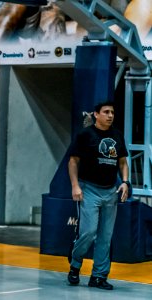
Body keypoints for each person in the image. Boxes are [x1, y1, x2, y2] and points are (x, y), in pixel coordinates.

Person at [67, 101, 130, 290]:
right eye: (106, 112)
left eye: (112, 112)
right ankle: (75, 264)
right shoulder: (85, 135)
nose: (110, 115)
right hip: (89, 189)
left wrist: (125, 182)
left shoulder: (117, 135)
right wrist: (75, 186)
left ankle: (99, 276)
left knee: (105, 236)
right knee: (88, 232)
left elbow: (123, 163)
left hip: (110, 190)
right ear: (96, 114)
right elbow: (72, 161)